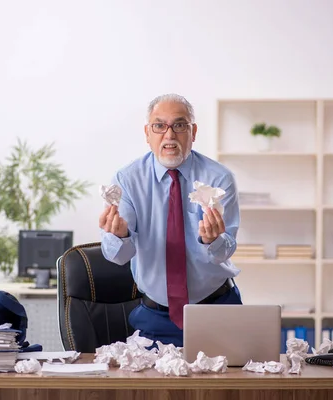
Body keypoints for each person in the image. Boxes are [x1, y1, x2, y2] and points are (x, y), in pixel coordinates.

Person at [99, 93, 242, 347]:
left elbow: (225, 252)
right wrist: (120, 236)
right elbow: (118, 256)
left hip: (217, 308)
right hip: (156, 316)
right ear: (147, 133)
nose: (169, 135)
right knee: (151, 386)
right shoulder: (127, 180)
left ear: (193, 131)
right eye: (159, 126)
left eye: (179, 125)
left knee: (228, 385)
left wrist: (213, 240)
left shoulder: (219, 178)